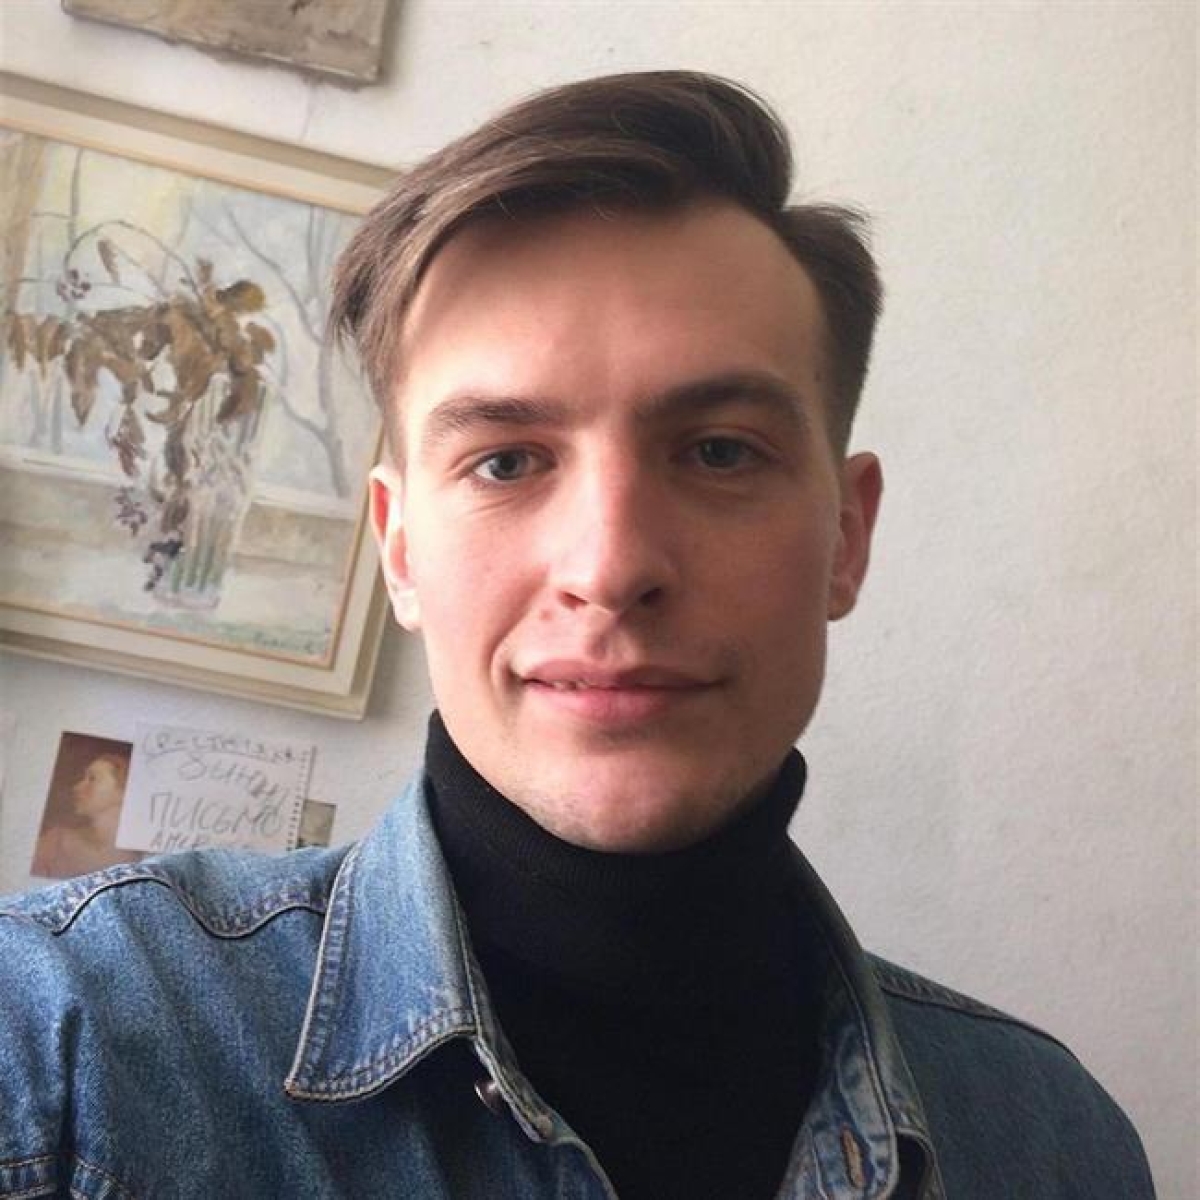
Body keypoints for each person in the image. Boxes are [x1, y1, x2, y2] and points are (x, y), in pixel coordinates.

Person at [0, 71, 1154, 1199]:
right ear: (400, 550)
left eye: (720, 452)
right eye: (506, 462)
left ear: (846, 536)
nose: (609, 568)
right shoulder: (60, 1043)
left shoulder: (1055, 1144)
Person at [30, 752, 139, 879]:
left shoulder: (137, 857)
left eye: (92, 779)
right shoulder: (55, 843)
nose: (76, 787)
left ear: (124, 790)